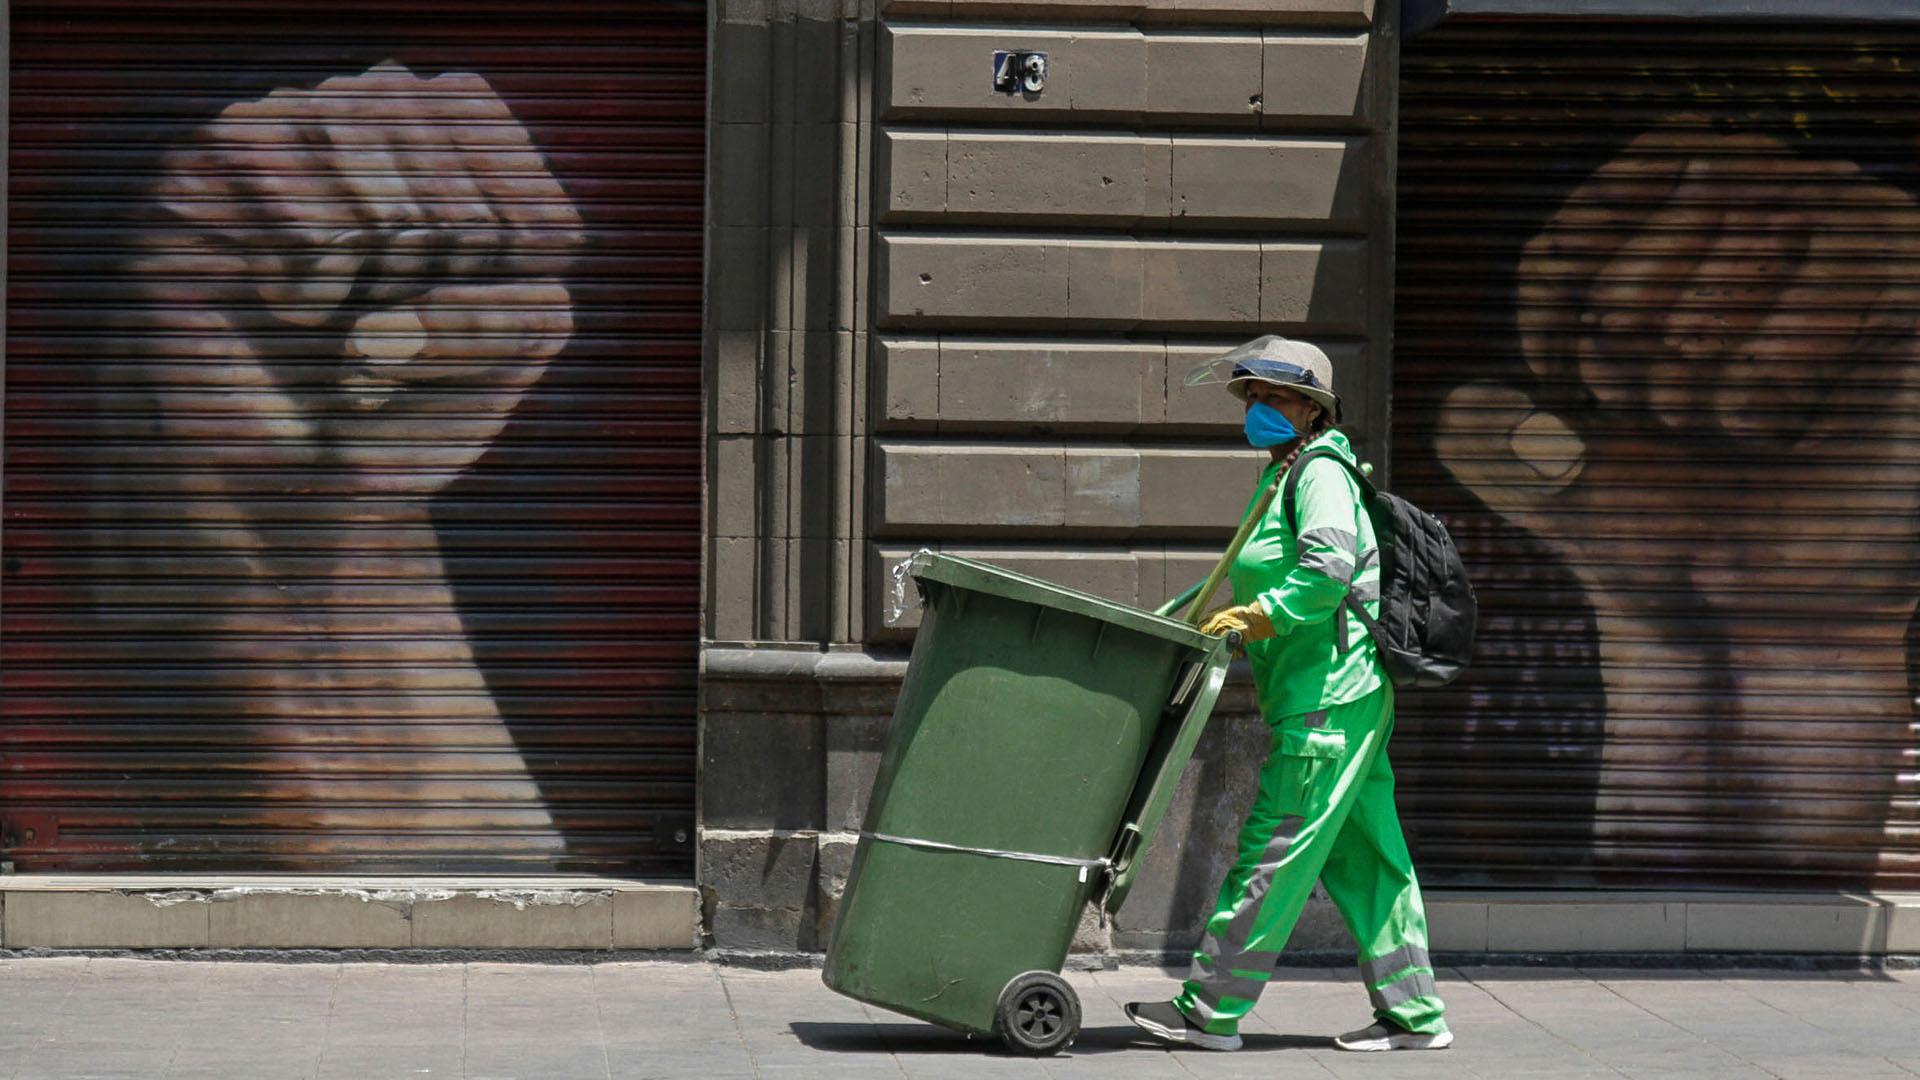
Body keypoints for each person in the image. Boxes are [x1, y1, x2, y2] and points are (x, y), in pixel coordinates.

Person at [1125, 335, 1452, 1053]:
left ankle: (1210, 1010)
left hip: (1327, 699)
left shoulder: (1321, 474)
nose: (1259, 410)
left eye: (1275, 398)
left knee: (1275, 848)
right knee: (1366, 858)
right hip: (1334, 695)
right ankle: (1415, 1015)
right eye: (1253, 397)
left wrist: (1260, 616)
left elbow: (1328, 570)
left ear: (1312, 408)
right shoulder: (1288, 473)